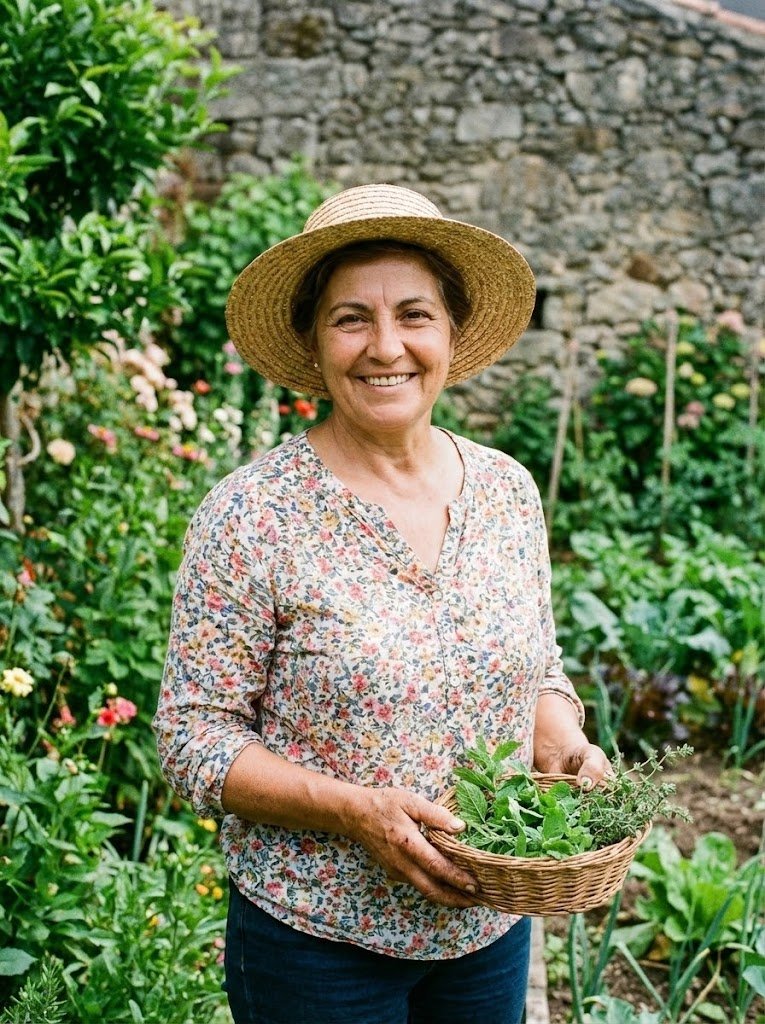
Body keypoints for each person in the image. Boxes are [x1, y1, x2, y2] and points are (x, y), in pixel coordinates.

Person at [153, 183, 611, 1024]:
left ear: (450, 332)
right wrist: (356, 812)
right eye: (350, 318)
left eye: (413, 314)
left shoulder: (507, 491)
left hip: (486, 928)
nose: (385, 346)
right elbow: (191, 738)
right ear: (313, 341)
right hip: (316, 943)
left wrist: (565, 740)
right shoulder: (252, 514)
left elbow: (537, 667)